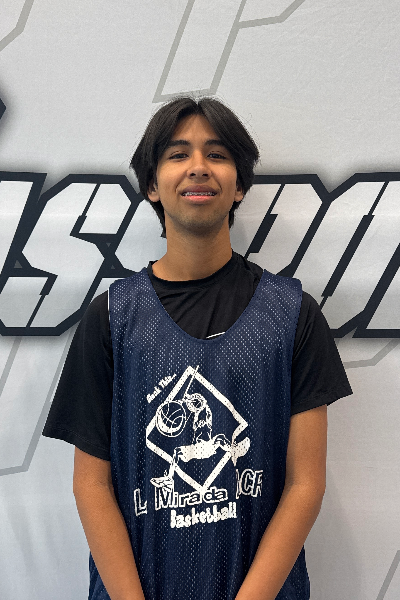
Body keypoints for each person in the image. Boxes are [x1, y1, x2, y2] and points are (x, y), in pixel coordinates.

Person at [42, 96, 353, 600]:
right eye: (177, 154)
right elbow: (91, 486)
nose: (198, 167)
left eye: (217, 154)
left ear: (240, 184)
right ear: (151, 184)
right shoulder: (110, 318)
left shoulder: (293, 314)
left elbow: (305, 486)